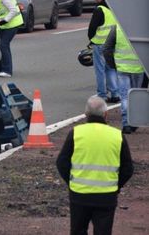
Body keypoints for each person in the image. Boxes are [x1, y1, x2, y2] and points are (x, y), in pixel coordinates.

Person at [56, 96, 133, 235]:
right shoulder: (117, 136)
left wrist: (72, 182)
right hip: (106, 196)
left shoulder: (76, 133)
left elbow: (61, 162)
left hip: (79, 195)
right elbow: (128, 169)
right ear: (106, 114)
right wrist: (116, 186)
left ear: (86, 114)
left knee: (78, 231)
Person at [103, 23, 145, 134]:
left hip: (122, 68)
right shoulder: (142, 27)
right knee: (136, 97)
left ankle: (126, 124)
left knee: (125, 96)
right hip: (138, 68)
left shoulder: (117, 28)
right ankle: (134, 122)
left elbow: (106, 48)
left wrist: (113, 65)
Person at [87, 0, 119, 103]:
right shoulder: (112, 8)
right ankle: (115, 93)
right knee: (111, 69)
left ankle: (102, 95)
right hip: (112, 44)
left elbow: (92, 29)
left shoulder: (99, 10)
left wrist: (91, 39)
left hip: (100, 44)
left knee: (100, 71)